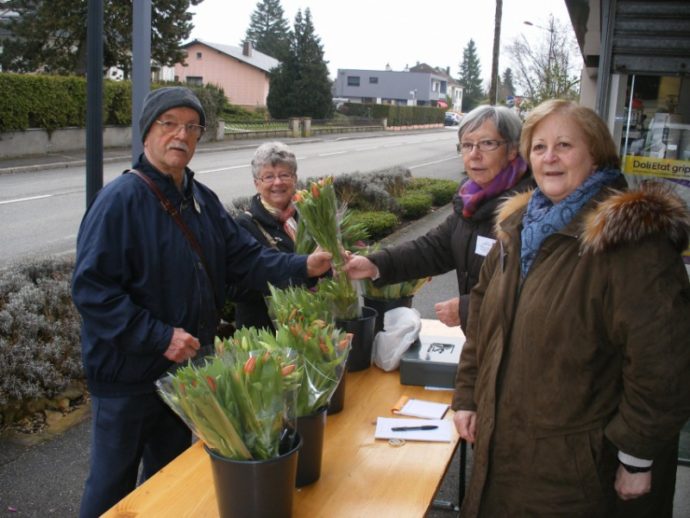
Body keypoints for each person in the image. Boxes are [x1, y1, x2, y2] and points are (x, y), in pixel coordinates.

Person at [71, 87, 332, 518]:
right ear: (147, 133)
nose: (181, 135)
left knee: (169, 475)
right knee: (111, 483)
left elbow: (245, 259)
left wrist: (304, 265)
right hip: (128, 374)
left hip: (185, 370)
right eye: (169, 123)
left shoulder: (200, 199)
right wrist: (158, 337)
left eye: (192, 127)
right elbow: (92, 291)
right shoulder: (120, 201)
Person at [452, 99, 690, 517]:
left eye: (564, 145)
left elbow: (664, 362)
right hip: (509, 450)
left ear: (596, 152)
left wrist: (637, 456)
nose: (550, 158)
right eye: (539, 147)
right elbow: (485, 317)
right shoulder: (516, 227)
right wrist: (468, 396)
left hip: (578, 470)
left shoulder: (632, 241)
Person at [344, 105, 534, 332]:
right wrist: (374, 264)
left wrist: (466, 309)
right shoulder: (470, 200)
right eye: (467, 145)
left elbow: (533, 293)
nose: (474, 154)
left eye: (487, 143)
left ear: (513, 149)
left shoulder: (529, 211)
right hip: (482, 339)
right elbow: (433, 248)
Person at [230, 142, 301, 330]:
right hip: (264, 333)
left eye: (284, 175)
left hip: (307, 323)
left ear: (294, 178)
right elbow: (240, 287)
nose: (277, 182)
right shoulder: (244, 226)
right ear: (257, 183)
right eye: (268, 176)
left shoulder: (308, 217)